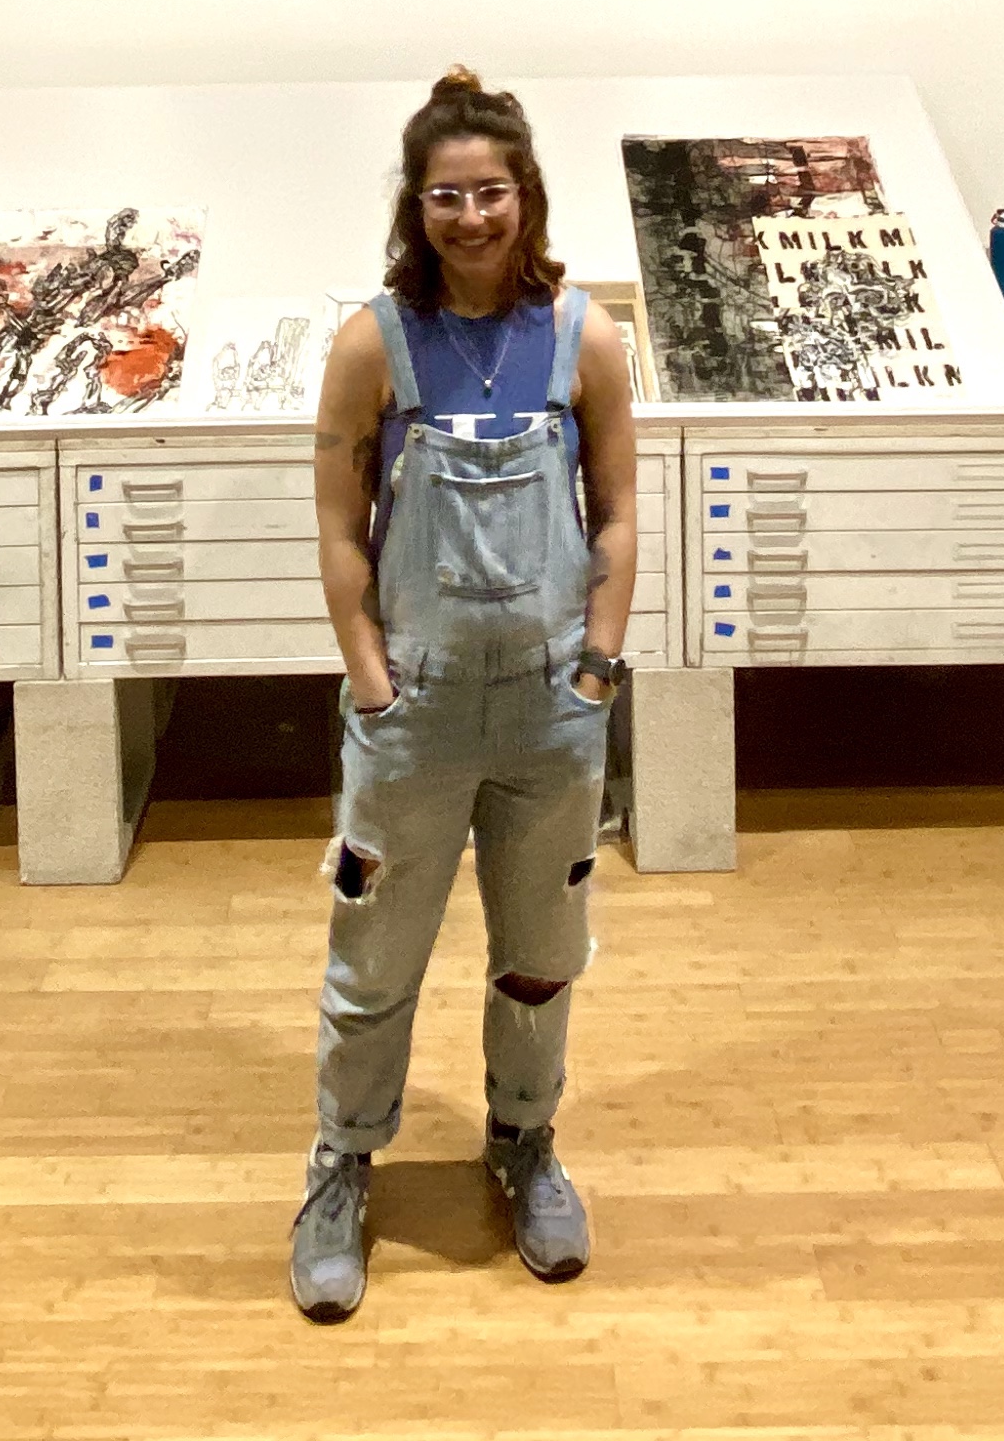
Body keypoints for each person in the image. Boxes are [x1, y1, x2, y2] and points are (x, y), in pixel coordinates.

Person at [288, 67, 640, 1322]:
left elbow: (619, 510)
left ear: (526, 194)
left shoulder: (584, 339)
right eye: (448, 195)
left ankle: (526, 1143)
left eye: (492, 191)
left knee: (541, 957)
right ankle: (341, 1165)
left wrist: (597, 664)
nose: (473, 216)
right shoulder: (371, 344)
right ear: (417, 204)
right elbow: (340, 529)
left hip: (553, 709)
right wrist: (371, 679)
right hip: (417, 712)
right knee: (374, 960)